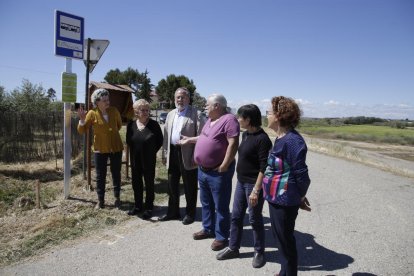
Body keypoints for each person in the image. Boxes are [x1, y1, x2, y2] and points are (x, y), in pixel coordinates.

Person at [216, 104, 272, 268]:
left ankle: (259, 252)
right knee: (236, 216)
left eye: (240, 117)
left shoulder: (263, 139)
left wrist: (256, 190)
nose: (238, 119)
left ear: (248, 119)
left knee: (254, 219)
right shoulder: (246, 134)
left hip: (253, 185)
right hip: (241, 183)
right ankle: (233, 248)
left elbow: (265, 167)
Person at [264, 96, 311, 276]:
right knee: (280, 239)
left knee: (286, 242)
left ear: (278, 115)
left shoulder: (293, 141)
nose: (266, 115)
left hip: (285, 201)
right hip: (276, 198)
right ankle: (284, 271)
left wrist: (299, 196)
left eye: (268, 112)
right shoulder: (281, 137)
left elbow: (302, 175)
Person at [188, 94, 240, 252]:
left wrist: (224, 165)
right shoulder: (210, 120)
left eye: (207, 104)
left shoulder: (229, 119)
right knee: (206, 202)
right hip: (203, 170)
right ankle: (207, 228)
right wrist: (194, 151)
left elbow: (233, 143)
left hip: (218, 171)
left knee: (221, 206)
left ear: (217, 106)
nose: (205, 106)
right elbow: (204, 138)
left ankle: (221, 236)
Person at [158, 87, 206, 225]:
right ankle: (172, 212)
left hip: (189, 153)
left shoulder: (196, 114)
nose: (180, 100)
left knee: (189, 185)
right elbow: (166, 135)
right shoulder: (170, 114)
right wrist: (164, 154)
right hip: (172, 152)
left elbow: (203, 136)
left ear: (188, 99)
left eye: (183, 97)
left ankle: (190, 213)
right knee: (172, 184)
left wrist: (196, 156)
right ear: (174, 99)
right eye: (178, 97)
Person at [77, 88, 124, 209]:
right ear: (97, 102)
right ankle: (101, 200)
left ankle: (117, 198)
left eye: (108, 99)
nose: (107, 102)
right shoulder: (92, 113)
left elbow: (118, 125)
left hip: (115, 147)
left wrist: (109, 135)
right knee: (100, 175)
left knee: (116, 173)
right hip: (99, 149)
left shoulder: (114, 111)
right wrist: (82, 120)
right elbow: (82, 130)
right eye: (104, 100)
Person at [126, 99, 163, 220]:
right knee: (136, 184)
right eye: (143, 110)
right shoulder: (131, 125)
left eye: (147, 110)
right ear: (136, 111)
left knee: (149, 184)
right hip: (135, 160)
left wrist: (151, 151)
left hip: (149, 160)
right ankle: (138, 206)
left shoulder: (154, 125)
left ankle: (148, 208)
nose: (146, 112)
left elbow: (159, 141)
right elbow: (128, 141)